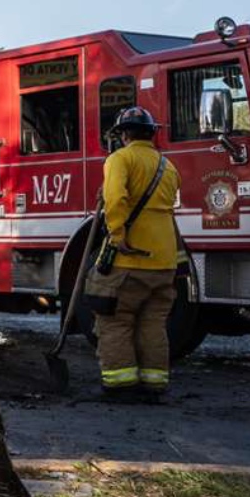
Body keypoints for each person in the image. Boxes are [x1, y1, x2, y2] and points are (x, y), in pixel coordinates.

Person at [86, 107, 182, 396]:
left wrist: (117, 235)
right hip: (164, 260)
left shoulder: (120, 158)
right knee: (153, 323)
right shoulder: (168, 166)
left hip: (130, 257)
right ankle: (155, 383)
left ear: (123, 135)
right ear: (151, 133)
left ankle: (121, 384)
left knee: (115, 319)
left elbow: (116, 199)